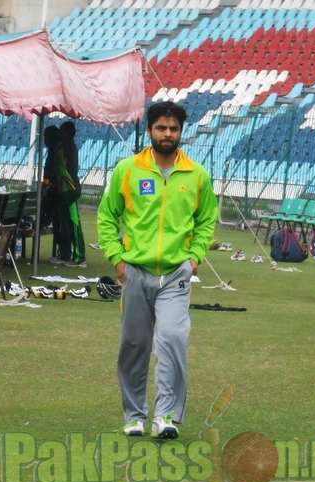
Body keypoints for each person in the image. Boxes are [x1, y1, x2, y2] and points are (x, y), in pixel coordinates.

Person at [97, 101, 218, 440]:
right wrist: (117, 259)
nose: (168, 134)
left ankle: (165, 415)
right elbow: (107, 216)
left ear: (181, 132)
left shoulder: (197, 175)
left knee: (173, 339)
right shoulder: (127, 169)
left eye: (174, 128)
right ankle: (134, 416)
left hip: (176, 275)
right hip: (135, 271)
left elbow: (207, 220)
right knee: (134, 344)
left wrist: (194, 258)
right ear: (149, 130)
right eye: (161, 128)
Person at [42, 122, 85, 267]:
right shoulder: (63, 146)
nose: (59, 133)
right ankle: (66, 254)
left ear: (67, 133)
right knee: (66, 224)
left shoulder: (66, 147)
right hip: (64, 190)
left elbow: (55, 169)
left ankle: (80, 258)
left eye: (62, 130)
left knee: (73, 223)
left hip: (70, 190)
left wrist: (46, 184)